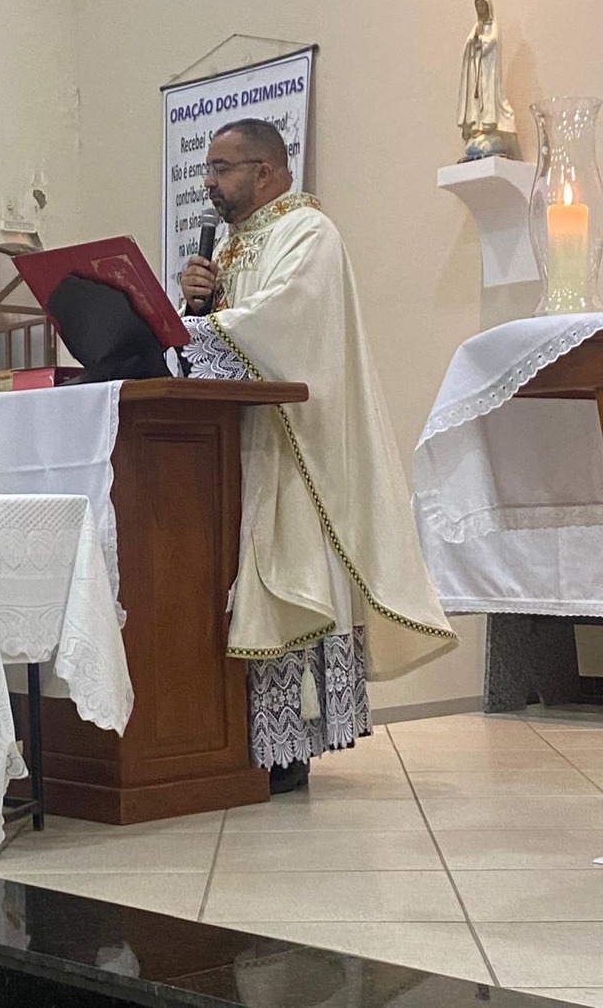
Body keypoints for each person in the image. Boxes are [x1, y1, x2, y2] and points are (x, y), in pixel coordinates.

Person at [180, 118, 457, 792]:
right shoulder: (231, 245)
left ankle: (287, 748)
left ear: (266, 171)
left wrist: (203, 332)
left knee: (290, 586)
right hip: (239, 446)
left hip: (296, 449)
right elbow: (217, 342)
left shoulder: (309, 233)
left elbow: (285, 320)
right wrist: (194, 307)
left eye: (221, 168)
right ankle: (231, 740)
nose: (209, 182)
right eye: (206, 169)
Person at [456, 0, 520, 161]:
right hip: (477, 70)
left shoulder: (493, 25)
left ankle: (489, 125)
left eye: (482, 6)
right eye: (477, 6)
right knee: (477, 100)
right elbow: (469, 42)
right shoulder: (477, 26)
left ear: (488, 7)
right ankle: (478, 126)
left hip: (488, 71)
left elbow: (493, 41)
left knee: (488, 97)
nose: (480, 9)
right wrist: (474, 40)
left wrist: (481, 41)